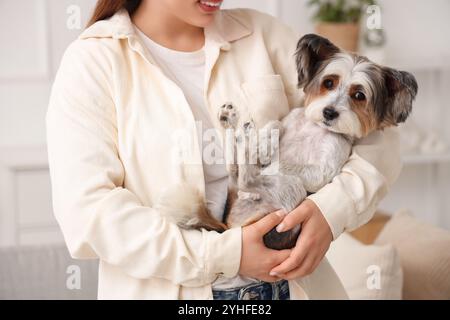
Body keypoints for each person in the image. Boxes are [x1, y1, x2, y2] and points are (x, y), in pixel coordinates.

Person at [46, 0, 401, 299]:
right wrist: (227, 254)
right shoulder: (93, 63)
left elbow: (378, 137)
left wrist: (329, 211)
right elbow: (89, 214)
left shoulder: (265, 36)